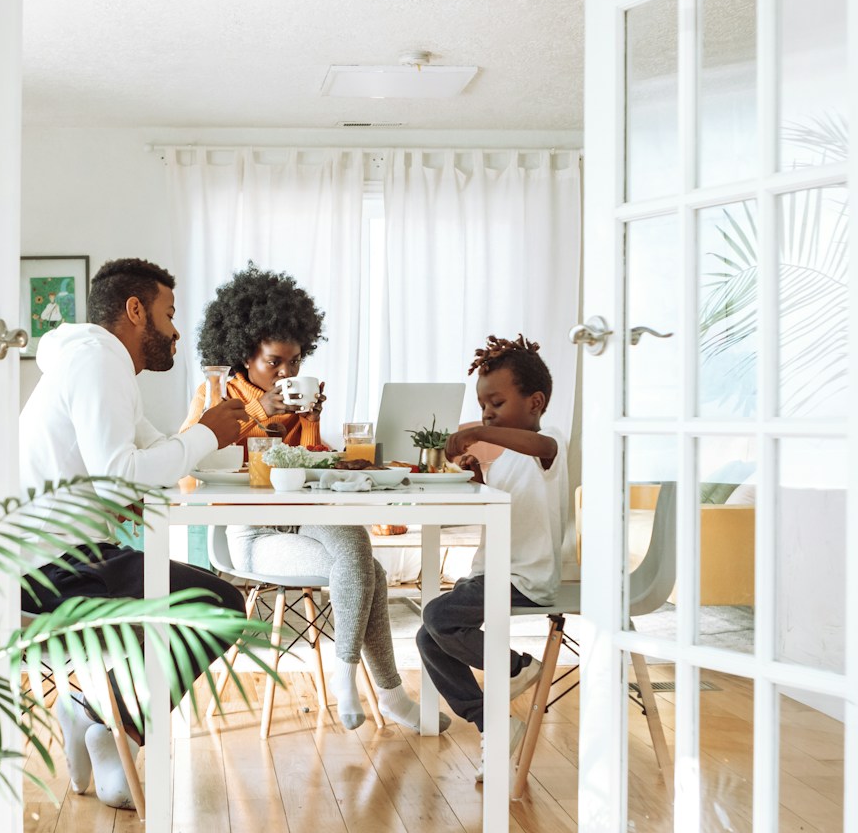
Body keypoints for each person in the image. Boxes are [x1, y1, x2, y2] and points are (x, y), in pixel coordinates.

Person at [20, 257, 249, 809]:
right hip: (45, 570)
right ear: (134, 310)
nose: (174, 332)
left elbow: (145, 455)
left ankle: (96, 715)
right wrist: (205, 433)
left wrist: (199, 439)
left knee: (204, 598)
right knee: (220, 605)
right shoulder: (99, 363)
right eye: (169, 315)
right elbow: (123, 473)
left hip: (64, 554)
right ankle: (104, 723)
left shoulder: (97, 363)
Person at [180, 265, 431, 731]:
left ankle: (347, 677)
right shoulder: (214, 395)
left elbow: (305, 468)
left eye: (295, 362)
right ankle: (385, 693)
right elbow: (189, 468)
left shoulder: (296, 399)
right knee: (368, 569)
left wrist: (312, 421)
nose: (286, 372)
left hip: (302, 518)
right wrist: (257, 411)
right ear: (243, 352)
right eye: (274, 361)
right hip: (250, 532)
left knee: (357, 544)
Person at [414, 334, 574, 780]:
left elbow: (540, 451)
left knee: (439, 618)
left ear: (536, 402)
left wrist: (480, 433)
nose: (486, 414)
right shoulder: (506, 459)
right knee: (429, 637)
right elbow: (501, 506)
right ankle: (494, 723)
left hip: (524, 577)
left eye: (496, 403)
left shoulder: (549, 444)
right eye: (483, 406)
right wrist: (479, 474)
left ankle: (519, 667)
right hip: (490, 572)